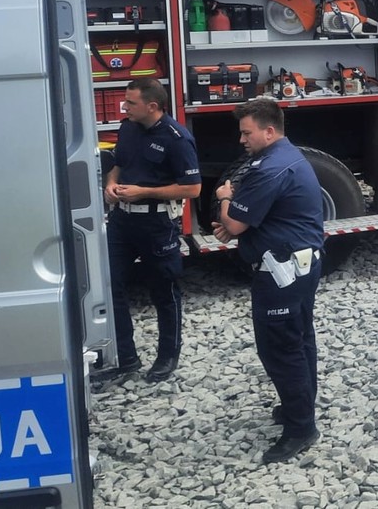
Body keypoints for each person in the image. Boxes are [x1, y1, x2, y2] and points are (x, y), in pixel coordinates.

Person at [213, 99, 325, 464]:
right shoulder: (286, 156)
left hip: (282, 273)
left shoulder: (270, 168)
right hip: (301, 266)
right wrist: (236, 224)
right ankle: (300, 406)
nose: (242, 139)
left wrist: (225, 202)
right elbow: (257, 217)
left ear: (269, 131)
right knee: (299, 338)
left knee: (279, 348)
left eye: (247, 133)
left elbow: (234, 223)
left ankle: (300, 428)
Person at [95, 78, 200, 385]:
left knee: (163, 290)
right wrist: (111, 184)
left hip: (157, 224)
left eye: (131, 102)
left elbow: (192, 188)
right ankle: (126, 359)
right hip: (122, 221)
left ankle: (167, 356)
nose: (124, 107)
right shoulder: (128, 128)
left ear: (152, 106)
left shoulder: (176, 138)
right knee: (110, 285)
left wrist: (143, 192)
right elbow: (118, 163)